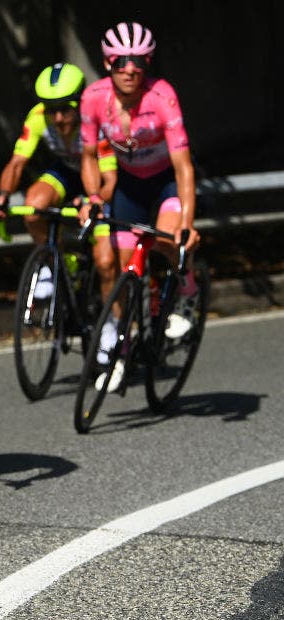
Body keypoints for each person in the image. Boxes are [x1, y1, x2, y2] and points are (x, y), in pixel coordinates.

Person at [79, 21, 200, 391]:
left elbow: (184, 167)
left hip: (164, 181)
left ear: (147, 65)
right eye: (121, 61)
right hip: (130, 185)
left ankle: (187, 293)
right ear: (107, 63)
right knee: (116, 267)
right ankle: (122, 344)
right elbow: (87, 156)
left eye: (139, 62)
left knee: (167, 239)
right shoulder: (93, 98)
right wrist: (95, 197)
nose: (130, 68)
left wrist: (187, 224)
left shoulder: (162, 97)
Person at [0, 63, 118, 299]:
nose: (58, 118)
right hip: (69, 170)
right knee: (33, 208)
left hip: (101, 177)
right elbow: (17, 162)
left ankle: (109, 319)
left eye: (66, 109)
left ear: (80, 102)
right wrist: (3, 196)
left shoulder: (96, 121)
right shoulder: (38, 117)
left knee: (105, 261)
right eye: (51, 109)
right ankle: (54, 262)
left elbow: (111, 180)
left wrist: (93, 200)